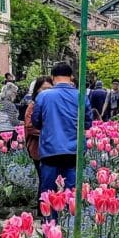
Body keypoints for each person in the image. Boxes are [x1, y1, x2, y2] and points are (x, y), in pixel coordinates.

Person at [31, 62, 92, 217]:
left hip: (50, 150)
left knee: (49, 193)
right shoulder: (81, 96)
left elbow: (36, 122)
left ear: (53, 78)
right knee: (71, 193)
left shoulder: (43, 96)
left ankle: (51, 231)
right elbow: (87, 123)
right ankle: (70, 228)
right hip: (73, 150)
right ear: (71, 77)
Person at [23, 76, 53, 213]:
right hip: (38, 149)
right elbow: (30, 126)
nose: (47, 92)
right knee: (44, 178)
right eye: (44, 89)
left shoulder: (52, 105)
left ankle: (48, 208)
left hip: (52, 148)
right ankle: (43, 210)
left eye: (50, 89)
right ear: (37, 90)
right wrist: (50, 133)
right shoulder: (33, 105)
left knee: (50, 179)